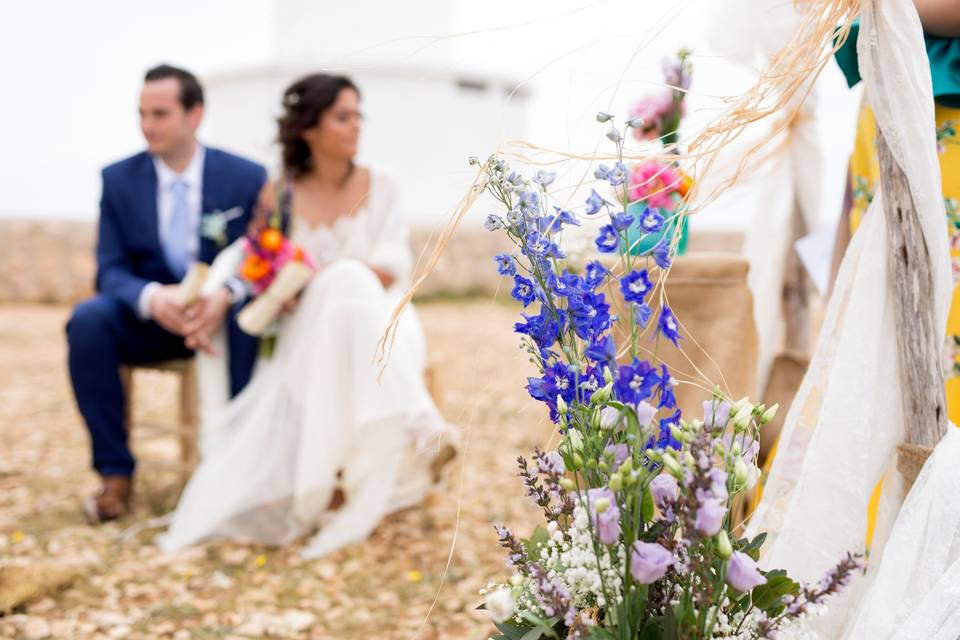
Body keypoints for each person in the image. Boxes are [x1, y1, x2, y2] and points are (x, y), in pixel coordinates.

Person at [159, 73, 457, 558]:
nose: (356, 125)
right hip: (307, 330)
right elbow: (257, 265)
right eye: (343, 116)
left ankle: (409, 428)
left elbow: (392, 266)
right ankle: (419, 419)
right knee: (340, 280)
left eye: (359, 115)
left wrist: (331, 280)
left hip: (384, 318)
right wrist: (289, 288)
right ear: (309, 129)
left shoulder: (381, 184)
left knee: (350, 280)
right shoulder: (279, 194)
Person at [66, 64, 267, 524]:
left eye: (160, 113)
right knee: (88, 320)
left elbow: (261, 260)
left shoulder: (245, 176)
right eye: (142, 113)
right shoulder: (118, 179)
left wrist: (226, 295)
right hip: (152, 321)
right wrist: (154, 298)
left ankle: (241, 468)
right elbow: (111, 269)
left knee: (250, 315)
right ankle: (115, 474)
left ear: (194, 115)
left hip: (224, 323)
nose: (147, 125)